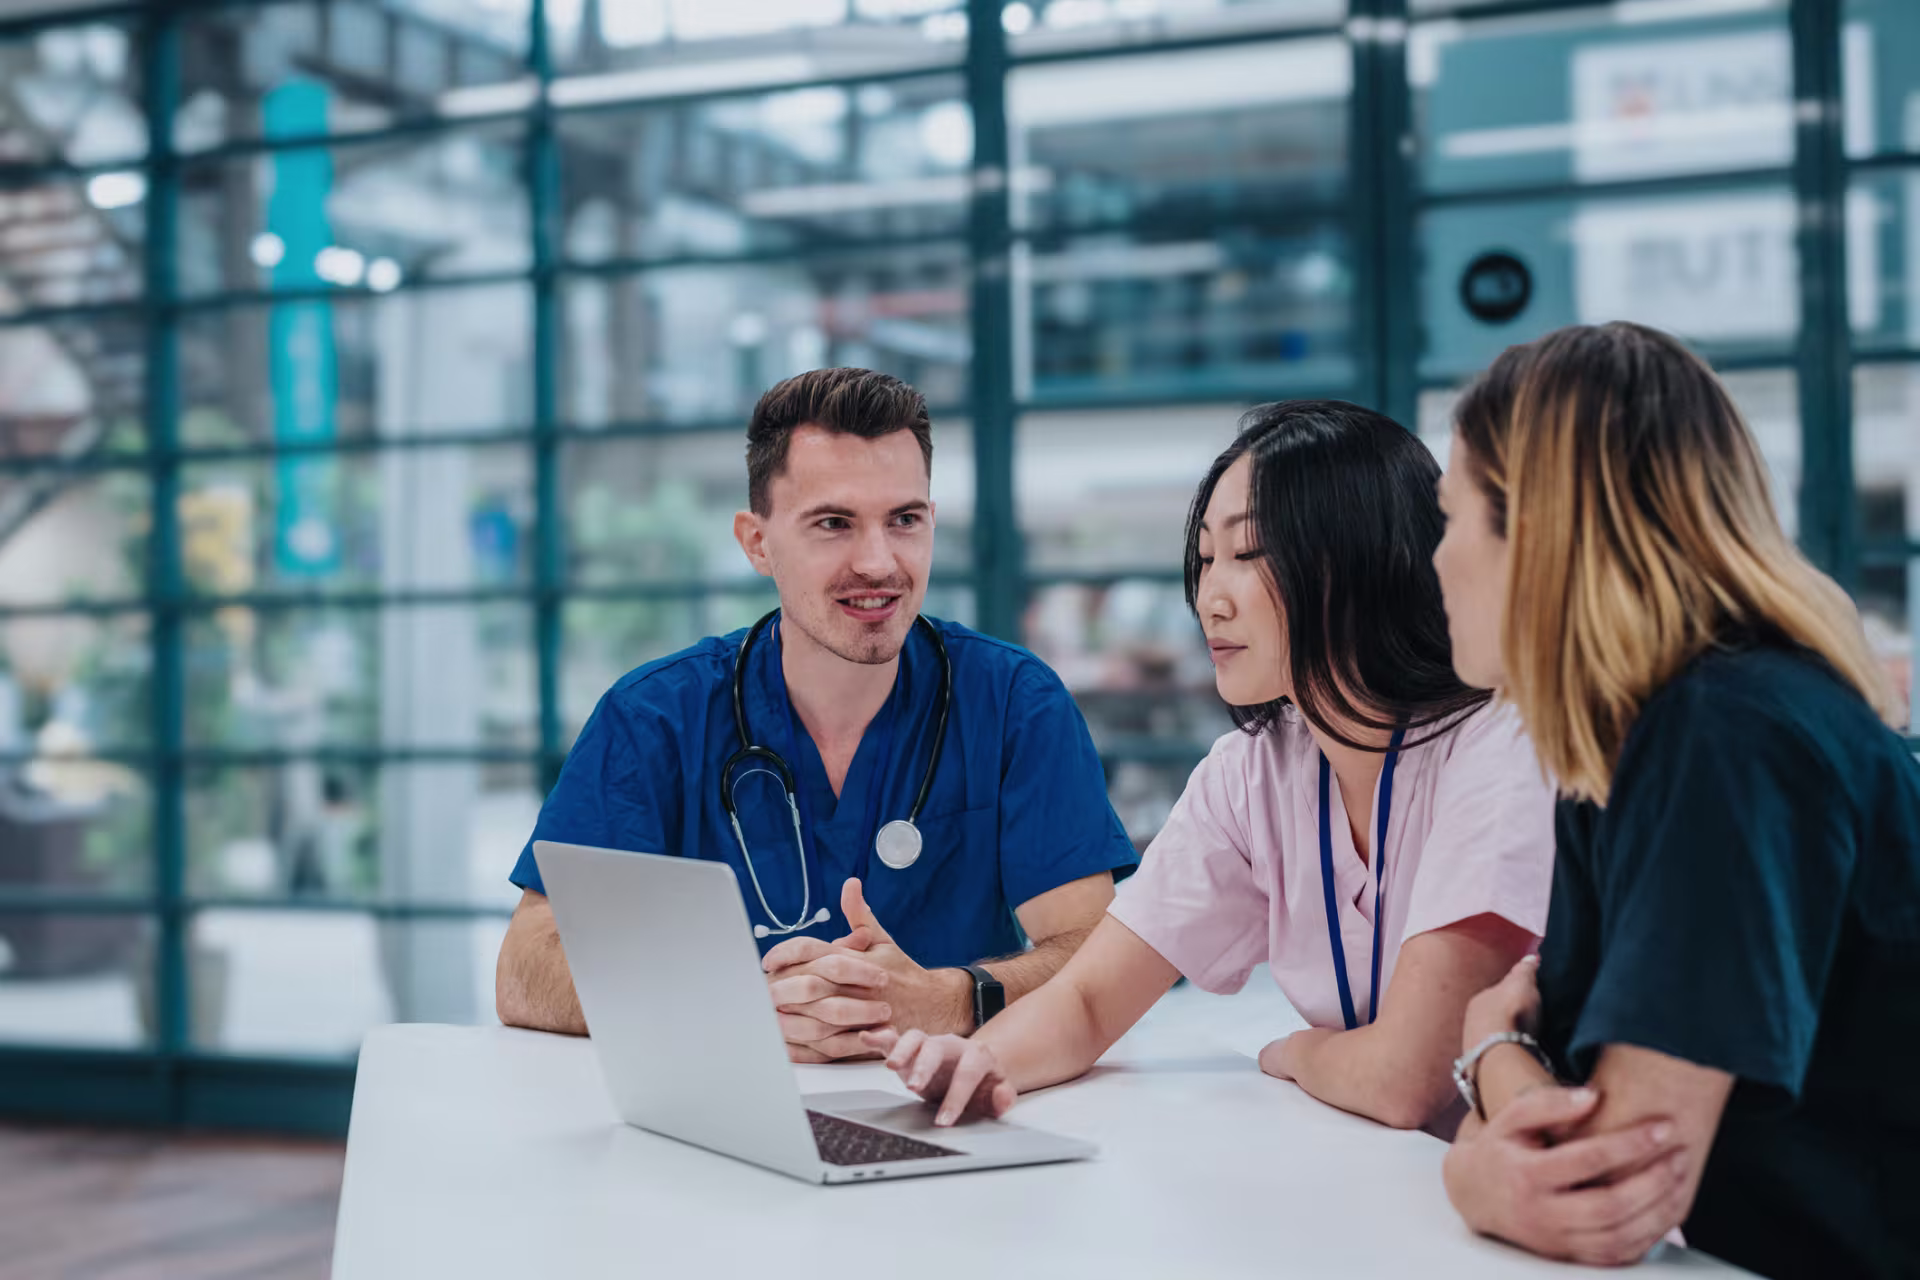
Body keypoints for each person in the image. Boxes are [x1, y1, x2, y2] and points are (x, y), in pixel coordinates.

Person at [863, 400, 1557, 1131]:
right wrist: (984, 1062)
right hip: (1385, 1179)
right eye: (1204, 558)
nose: (1209, 597)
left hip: (1531, 1195)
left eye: (1248, 554)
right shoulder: (1251, 773)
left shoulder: (1498, 746)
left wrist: (1299, 1052)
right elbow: (1091, 1000)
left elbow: (1403, 1082)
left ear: (1360, 556)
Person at [1433, 322, 1920, 1279]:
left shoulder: (1725, 739)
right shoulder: (1634, 749)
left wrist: (1486, 1046)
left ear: (1532, 530)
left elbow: (1603, 1186)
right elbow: (1580, 1118)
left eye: (1452, 518)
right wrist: (1511, 1108)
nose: (1437, 560)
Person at [494, 368, 1138, 1059]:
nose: (878, 562)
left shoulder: (1012, 703)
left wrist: (946, 998)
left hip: (954, 1115)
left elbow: (1095, 958)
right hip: (726, 1119)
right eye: (834, 523)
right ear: (757, 542)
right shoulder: (654, 718)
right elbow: (527, 970)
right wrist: (739, 1006)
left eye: (905, 520)